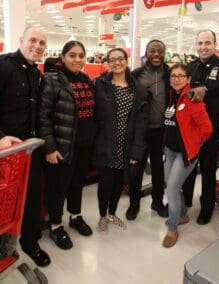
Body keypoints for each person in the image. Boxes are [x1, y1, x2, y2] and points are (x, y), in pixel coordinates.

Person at [0, 26, 50, 267]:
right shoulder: (4, 66)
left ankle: (31, 242)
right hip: (5, 151)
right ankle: (4, 248)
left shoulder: (36, 73)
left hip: (30, 149)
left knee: (31, 196)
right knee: (5, 202)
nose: (37, 46)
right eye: (33, 40)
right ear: (21, 40)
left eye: (42, 42)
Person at [38, 41, 95, 250]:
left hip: (83, 145)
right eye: (72, 55)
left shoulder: (86, 79)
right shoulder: (52, 79)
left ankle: (75, 216)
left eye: (81, 55)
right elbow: (43, 116)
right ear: (62, 57)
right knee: (57, 189)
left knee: (76, 184)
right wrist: (50, 148)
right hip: (61, 147)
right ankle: (56, 226)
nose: (78, 59)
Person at [93, 48, 149, 232]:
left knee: (119, 183)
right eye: (112, 60)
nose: (117, 63)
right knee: (105, 184)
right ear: (107, 63)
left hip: (126, 145)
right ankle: (102, 216)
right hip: (104, 143)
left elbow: (142, 122)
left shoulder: (137, 88)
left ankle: (112, 213)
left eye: (120, 59)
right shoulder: (100, 84)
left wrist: (137, 150)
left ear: (126, 60)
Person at [182, 29, 219, 224]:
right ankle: (186, 202)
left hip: (212, 126)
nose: (204, 47)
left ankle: (207, 206)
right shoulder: (190, 66)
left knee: (209, 167)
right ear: (196, 44)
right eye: (200, 43)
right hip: (190, 127)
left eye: (207, 43)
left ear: (214, 44)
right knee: (188, 165)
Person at [162, 63, 212, 248]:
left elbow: (207, 129)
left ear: (188, 79)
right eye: (173, 75)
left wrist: (194, 143)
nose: (176, 79)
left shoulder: (192, 98)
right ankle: (182, 215)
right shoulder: (170, 96)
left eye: (181, 76)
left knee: (172, 189)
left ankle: (172, 229)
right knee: (172, 184)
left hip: (186, 153)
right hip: (171, 150)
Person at [125, 39, 170, 220]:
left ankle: (157, 202)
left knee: (158, 169)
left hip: (161, 130)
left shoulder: (169, 74)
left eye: (160, 51)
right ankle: (134, 204)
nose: (156, 54)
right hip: (140, 132)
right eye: (153, 51)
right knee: (137, 169)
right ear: (146, 53)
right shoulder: (136, 75)